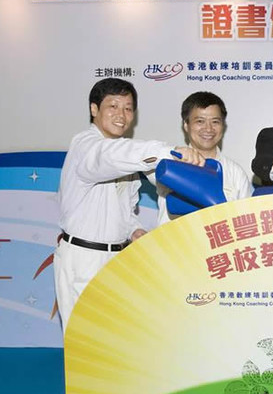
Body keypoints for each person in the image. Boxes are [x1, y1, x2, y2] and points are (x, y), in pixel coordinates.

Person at [54, 77, 190, 332]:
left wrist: (133, 230)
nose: (121, 114)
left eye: (128, 108)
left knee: (112, 340)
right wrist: (169, 151)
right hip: (84, 258)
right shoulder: (87, 146)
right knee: (84, 341)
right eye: (113, 106)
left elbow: (126, 211)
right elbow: (110, 157)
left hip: (116, 258)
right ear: (94, 109)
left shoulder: (123, 159)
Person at [153, 91, 251, 225]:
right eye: (200, 121)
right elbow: (139, 157)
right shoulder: (169, 161)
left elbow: (245, 219)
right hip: (174, 244)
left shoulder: (235, 172)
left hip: (220, 244)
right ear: (186, 125)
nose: (208, 129)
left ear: (223, 126)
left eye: (215, 122)